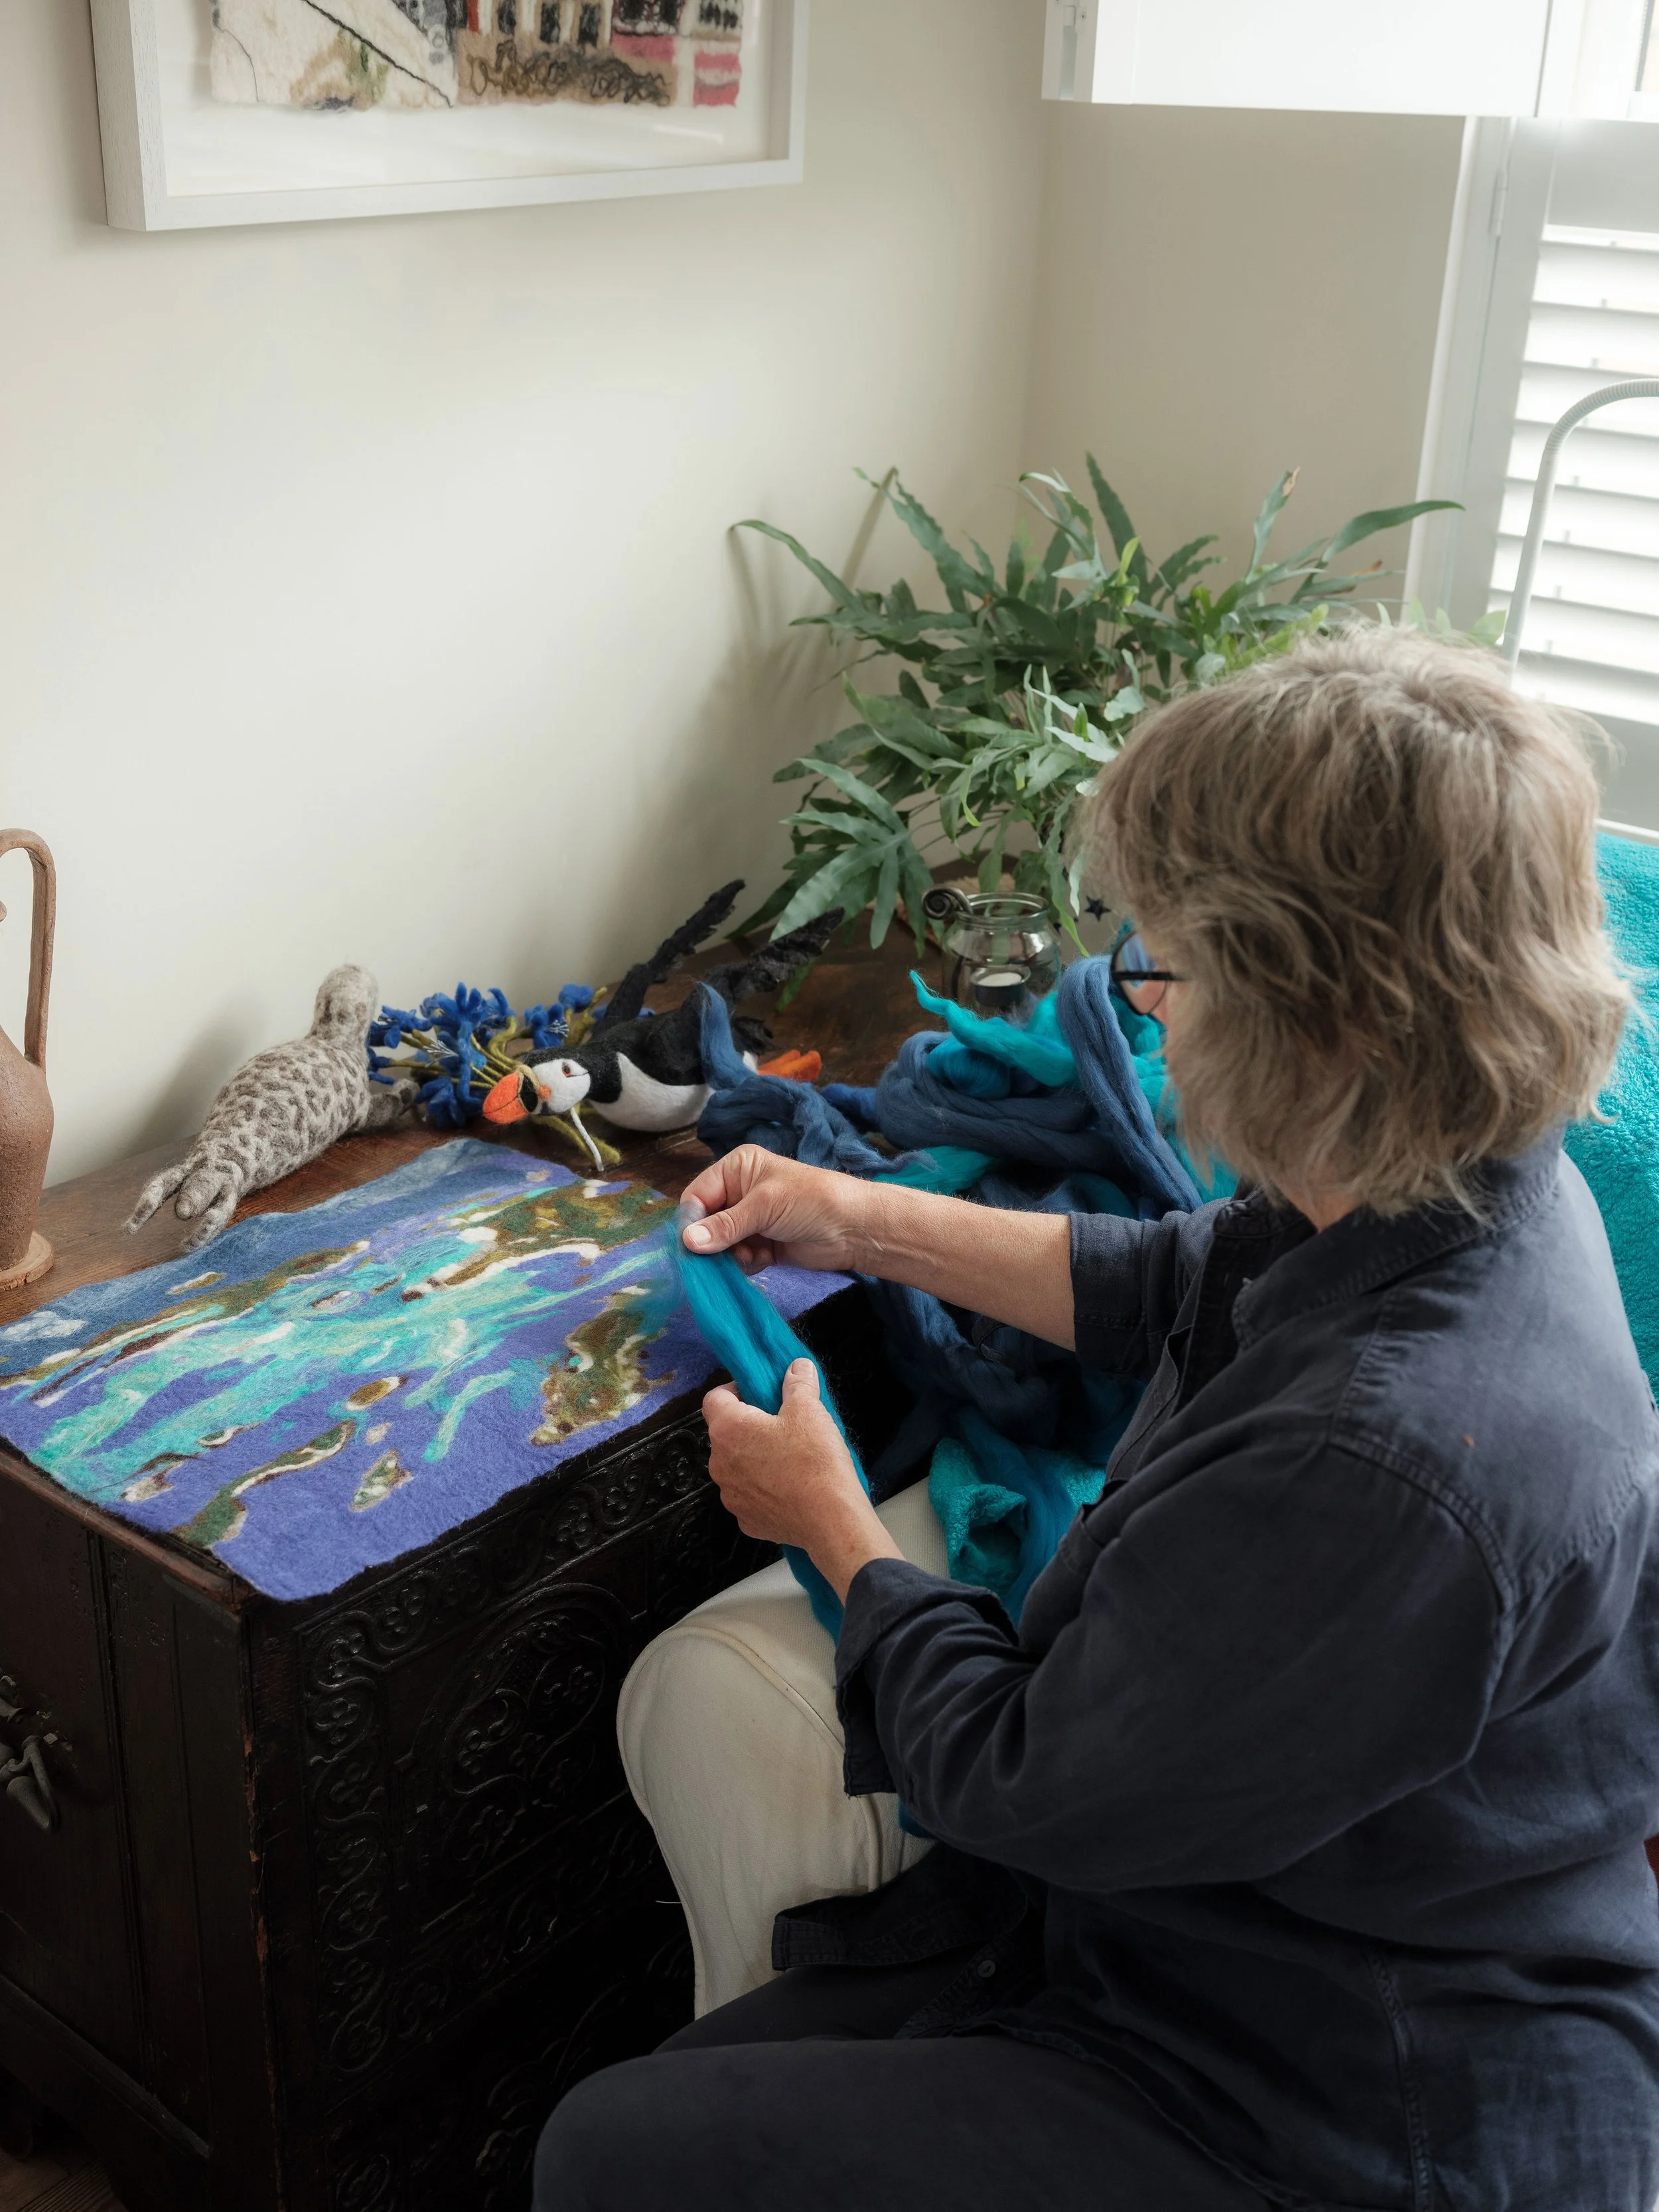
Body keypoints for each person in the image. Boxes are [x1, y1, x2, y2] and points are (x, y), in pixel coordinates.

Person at [534, 626, 1659, 2212]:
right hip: (1265, 1938)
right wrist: (850, 1216)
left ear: (1317, 1013)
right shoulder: (1462, 1178)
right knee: (687, 2094)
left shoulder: (1379, 1463)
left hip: (1348, 2101)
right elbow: (1176, 1278)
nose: (1142, 1010)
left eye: (1165, 967)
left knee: (606, 2152)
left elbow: (1012, 1776)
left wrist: (831, 1521)